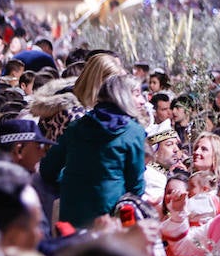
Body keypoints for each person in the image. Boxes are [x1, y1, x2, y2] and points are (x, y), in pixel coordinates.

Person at [39, 73, 147, 229]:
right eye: (137, 94)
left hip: (71, 216)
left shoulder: (76, 126)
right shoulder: (132, 132)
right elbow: (135, 187)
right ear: (122, 96)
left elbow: (48, 169)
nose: (142, 101)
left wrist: (72, 183)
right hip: (110, 219)